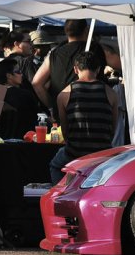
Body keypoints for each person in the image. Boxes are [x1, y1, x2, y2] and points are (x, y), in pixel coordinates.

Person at [49, 50, 118, 184]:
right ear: (98, 69)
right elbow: (113, 128)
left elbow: (65, 131)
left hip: (75, 152)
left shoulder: (64, 94)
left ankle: (63, 193)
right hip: (103, 153)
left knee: (55, 166)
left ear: (76, 69)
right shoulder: (111, 93)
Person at [32, 18, 121, 118]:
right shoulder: (96, 49)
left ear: (66, 31)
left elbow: (36, 83)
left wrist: (52, 107)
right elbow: (122, 64)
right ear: (86, 30)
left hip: (64, 113)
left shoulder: (54, 54)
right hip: (95, 111)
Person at [0, 58, 39, 139]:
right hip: (24, 141)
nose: (21, 74)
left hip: (0, 142)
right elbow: (35, 116)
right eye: (18, 72)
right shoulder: (25, 95)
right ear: (9, 76)